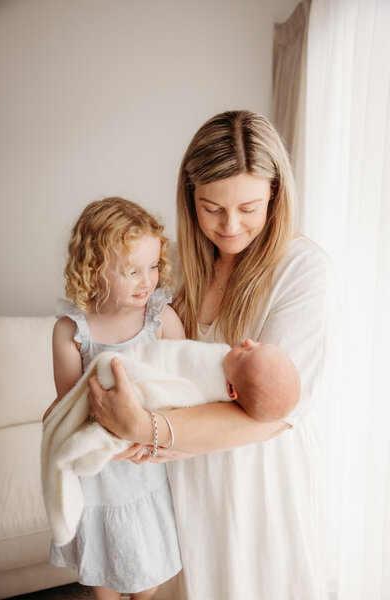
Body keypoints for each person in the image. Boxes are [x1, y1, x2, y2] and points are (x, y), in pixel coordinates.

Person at [87, 111, 334, 600]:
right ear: (189, 197)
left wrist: (143, 428)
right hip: (184, 477)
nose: (231, 226)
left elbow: (274, 417)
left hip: (257, 485)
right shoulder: (174, 270)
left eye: (249, 207)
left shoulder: (302, 269)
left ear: (275, 194)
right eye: (211, 208)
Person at [44, 197, 185, 600]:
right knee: (102, 575)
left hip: (147, 470)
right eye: (131, 271)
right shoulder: (73, 331)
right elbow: (72, 409)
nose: (147, 280)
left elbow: (182, 387)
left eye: (154, 267)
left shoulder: (160, 319)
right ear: (93, 268)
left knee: (148, 576)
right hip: (100, 477)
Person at [42, 336, 301, 549]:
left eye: (247, 352)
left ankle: (74, 446)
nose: (246, 341)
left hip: (136, 385)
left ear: (231, 391)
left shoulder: (214, 381)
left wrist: (139, 425)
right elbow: (174, 352)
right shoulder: (224, 361)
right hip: (132, 376)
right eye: (257, 343)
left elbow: (178, 385)